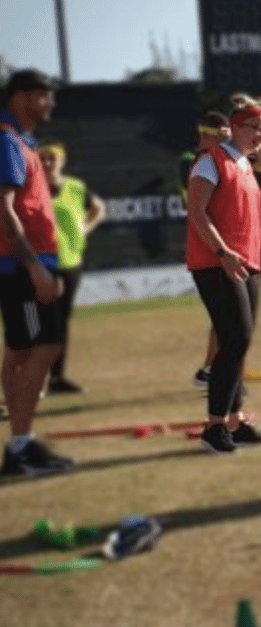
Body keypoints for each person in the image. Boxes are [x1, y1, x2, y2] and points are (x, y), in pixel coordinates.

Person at [185, 94, 261, 453]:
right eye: (255, 128)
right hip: (216, 263)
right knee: (235, 339)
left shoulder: (245, 165)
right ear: (234, 127)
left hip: (246, 263)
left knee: (240, 341)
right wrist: (222, 252)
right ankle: (215, 427)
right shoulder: (210, 161)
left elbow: (241, 223)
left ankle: (234, 422)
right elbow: (198, 214)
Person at [0, 69, 74, 475]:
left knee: (27, 349)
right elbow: (4, 209)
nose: (50, 104)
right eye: (44, 96)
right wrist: (33, 266)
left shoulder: (23, 143)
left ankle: (20, 444)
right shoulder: (7, 141)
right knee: (35, 348)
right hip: (19, 267)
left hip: (32, 265)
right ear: (20, 97)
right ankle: (19, 447)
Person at [180, 107, 261, 388]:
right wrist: (223, 252)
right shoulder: (201, 161)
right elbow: (198, 212)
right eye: (220, 135)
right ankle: (217, 383)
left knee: (235, 332)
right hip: (215, 254)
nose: (224, 140)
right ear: (204, 136)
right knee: (234, 333)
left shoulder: (239, 161)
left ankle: (227, 391)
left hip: (240, 256)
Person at [37, 139, 106, 394]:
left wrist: (84, 230)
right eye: (42, 158)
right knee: (45, 322)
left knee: (61, 322)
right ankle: (38, 379)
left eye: (51, 158)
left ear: (61, 161)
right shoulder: (31, 188)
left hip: (70, 262)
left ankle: (56, 378)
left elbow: (98, 208)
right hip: (43, 263)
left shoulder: (75, 187)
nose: (47, 163)